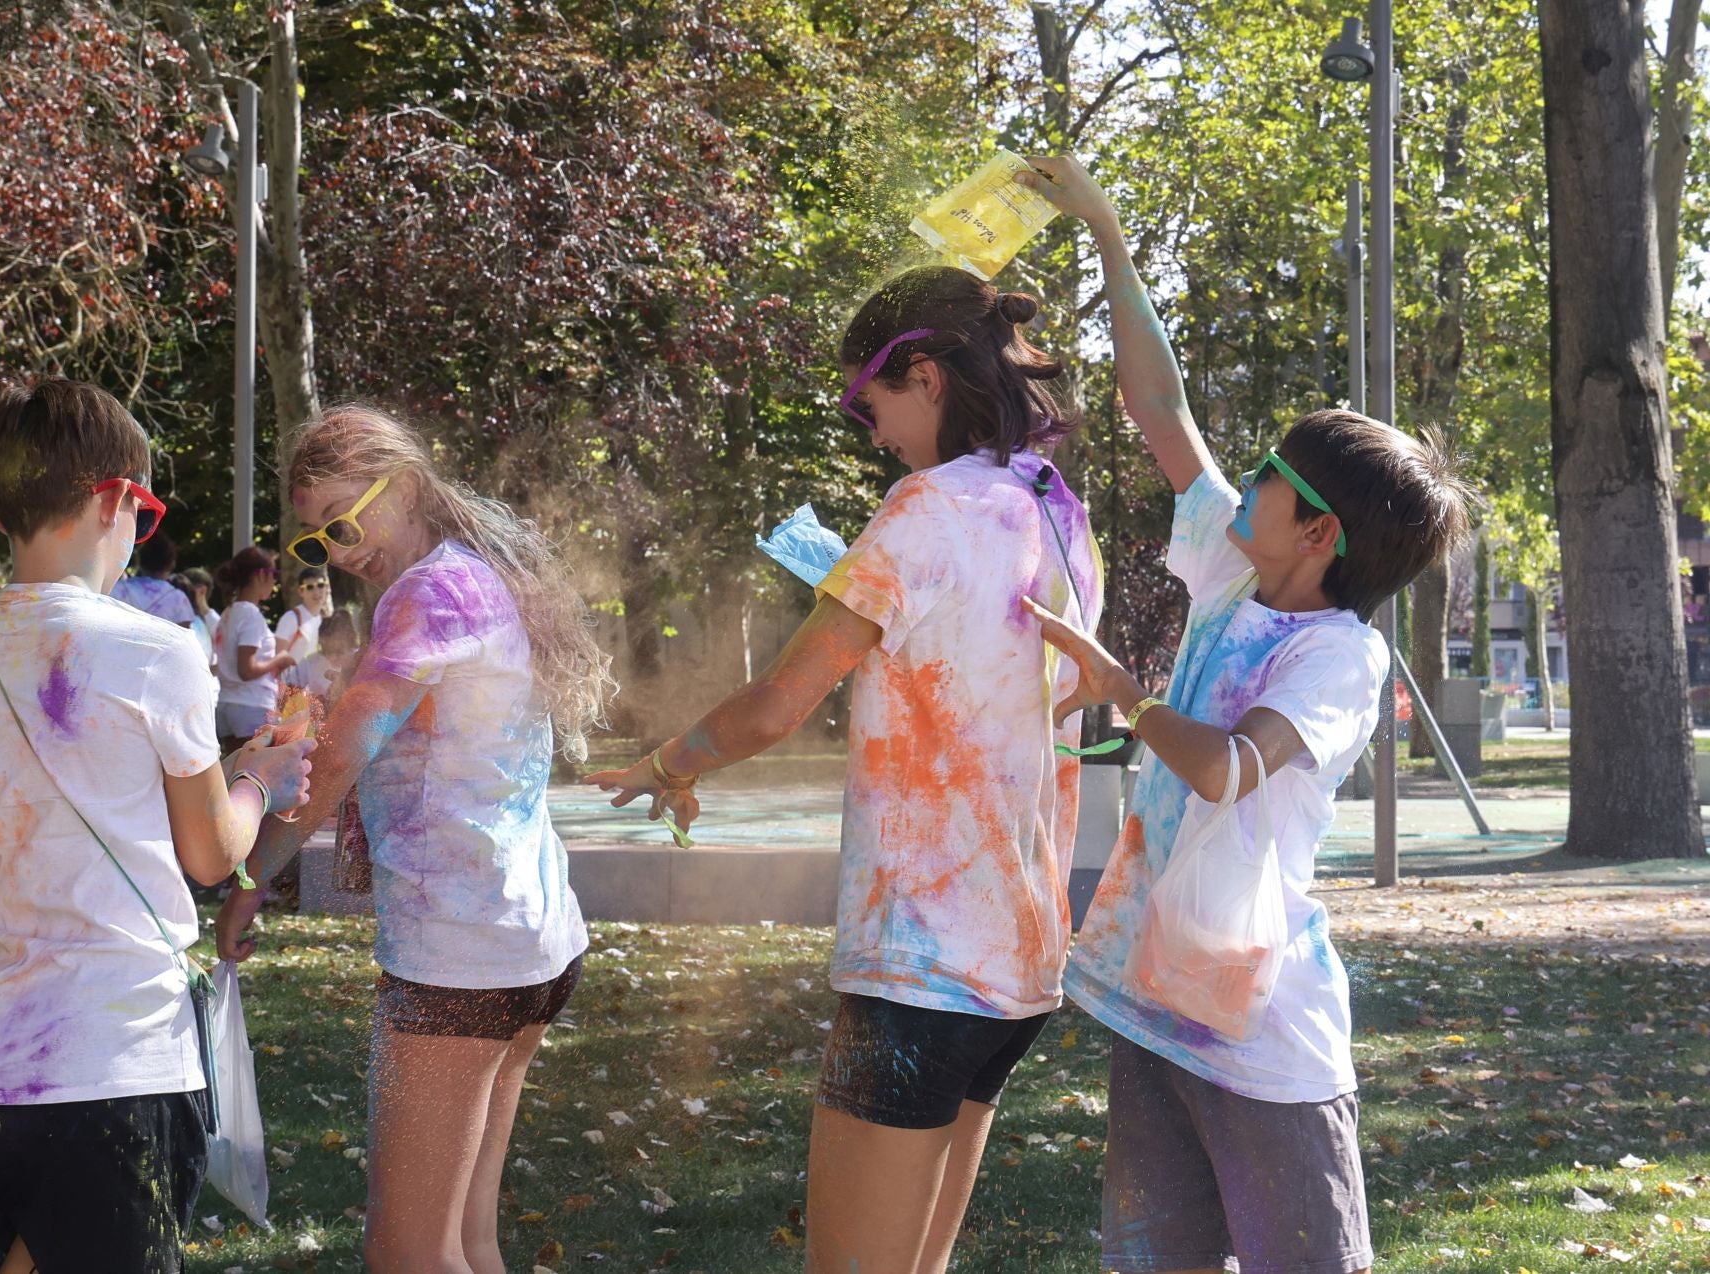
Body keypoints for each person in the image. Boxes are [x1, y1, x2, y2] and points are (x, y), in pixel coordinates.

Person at [587, 265, 1101, 1274]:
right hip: (1021, 963)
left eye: (866, 405)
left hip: (921, 961)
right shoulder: (1054, 506)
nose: (871, 433)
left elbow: (780, 700)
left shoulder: (923, 509)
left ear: (923, 373)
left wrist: (667, 758)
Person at [1016, 154, 1474, 1274]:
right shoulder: (1232, 573)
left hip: (1267, 1041)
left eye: (1269, 470)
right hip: (1154, 1001)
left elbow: (1227, 767)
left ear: (1318, 532)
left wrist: (1125, 690)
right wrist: (1111, 235)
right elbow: (1157, 403)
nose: (1248, 477)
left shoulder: (1338, 656)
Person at [0, 376, 314, 1274]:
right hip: (109, 1053)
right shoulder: (152, 650)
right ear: (112, 499)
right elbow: (213, 851)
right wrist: (259, 775)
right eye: (147, 504)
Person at [214, 403, 614, 1274]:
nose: (340, 552)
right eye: (317, 542)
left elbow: (336, 759)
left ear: (408, 485)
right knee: (464, 1242)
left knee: (405, 1254)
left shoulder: (427, 592)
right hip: (529, 940)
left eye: (345, 522)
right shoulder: (478, 576)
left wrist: (248, 880)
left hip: (459, 955)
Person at [212, 547, 297, 750]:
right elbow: (247, 670)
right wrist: (280, 659)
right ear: (261, 574)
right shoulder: (251, 615)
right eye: (274, 574)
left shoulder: (227, 613)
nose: (275, 581)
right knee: (254, 776)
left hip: (226, 705)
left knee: (235, 774)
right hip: (251, 706)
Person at [110, 530, 196, 627]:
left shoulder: (116, 589)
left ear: (140, 561)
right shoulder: (179, 599)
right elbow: (184, 638)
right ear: (171, 564)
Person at [287, 608, 359, 705]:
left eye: (337, 637)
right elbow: (291, 691)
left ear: (347, 635)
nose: (334, 643)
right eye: (325, 637)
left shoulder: (359, 657)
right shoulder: (308, 663)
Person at [274, 564, 332, 660]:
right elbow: (278, 657)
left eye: (321, 585)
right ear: (301, 591)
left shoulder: (325, 619)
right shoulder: (290, 618)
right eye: (310, 587)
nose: (316, 591)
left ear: (327, 588)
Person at [178, 566, 222, 669]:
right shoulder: (183, 616)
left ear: (202, 591)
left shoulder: (216, 622)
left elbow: (222, 663)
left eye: (186, 590)